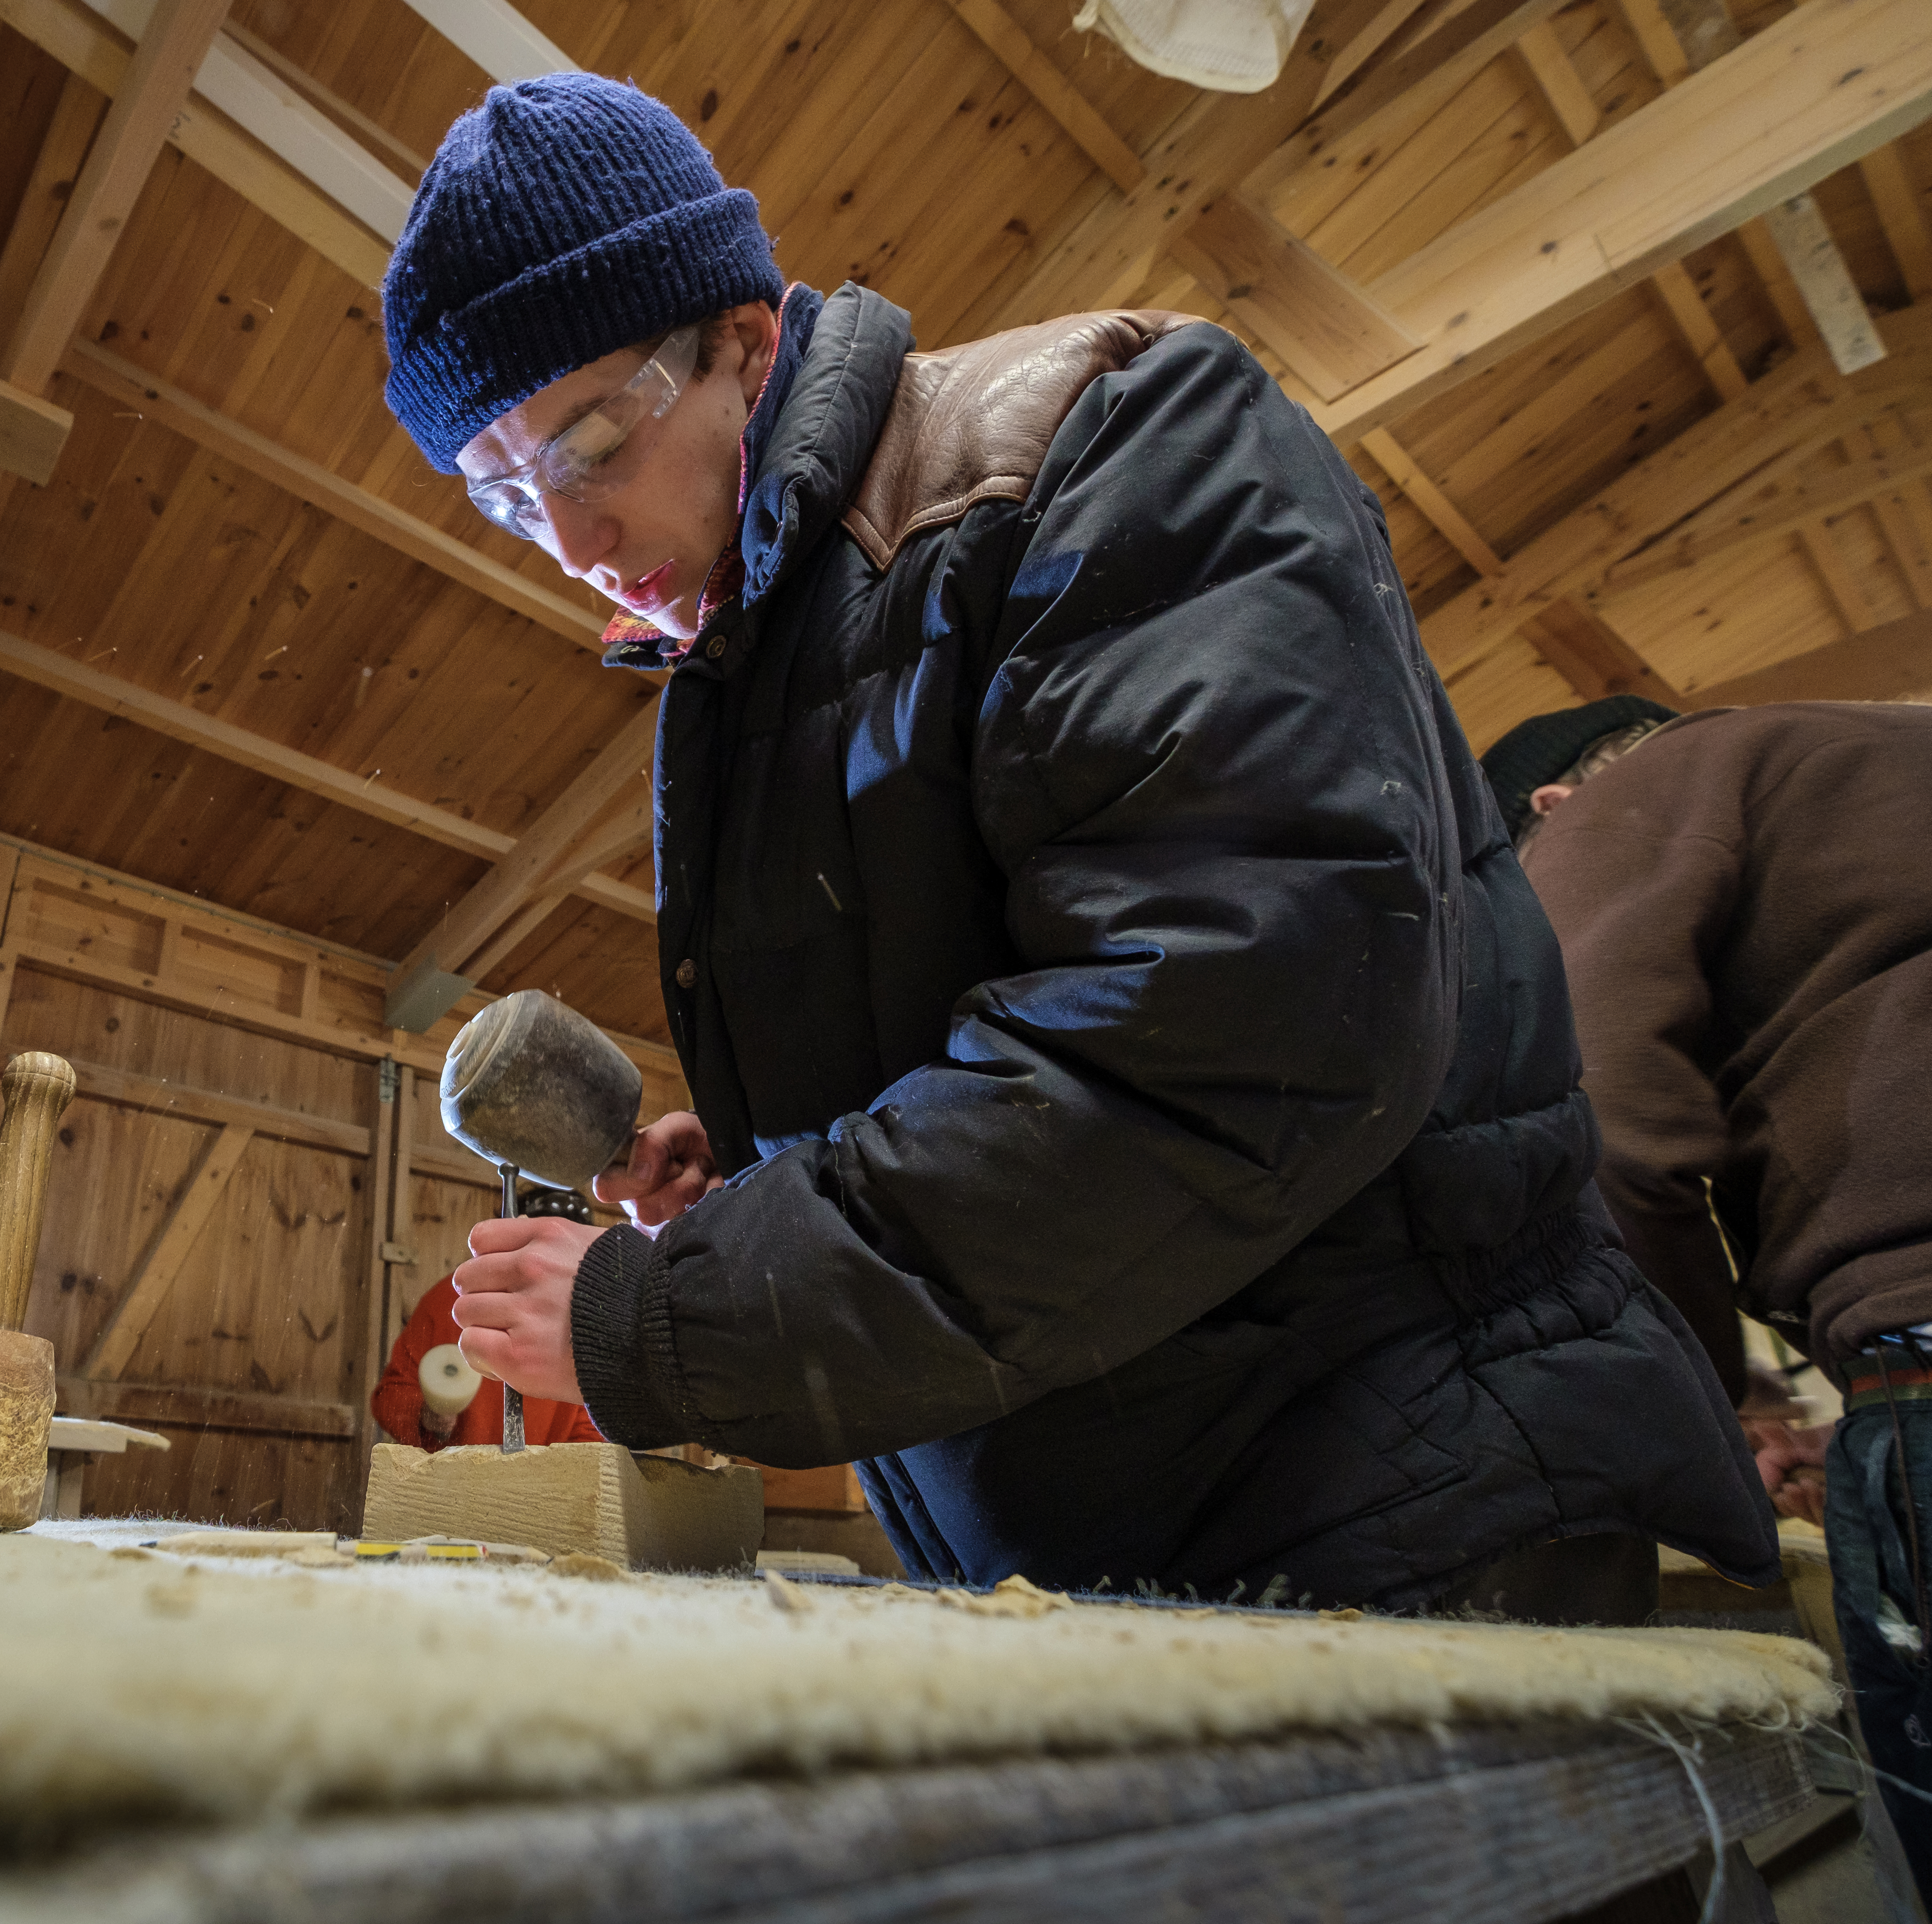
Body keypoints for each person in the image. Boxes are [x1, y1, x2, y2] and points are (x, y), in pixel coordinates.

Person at [386, 73, 1775, 1617]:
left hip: (1397, 1503)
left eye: (584, 444)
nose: (568, 541)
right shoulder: (753, 660)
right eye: (503, 495)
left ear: (745, 341)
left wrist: (672, 1318)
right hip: (1116, 1544)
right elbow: (1005, 1020)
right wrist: (781, 1165)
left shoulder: (1111, 441)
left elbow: (1223, 1032)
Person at [1489, 694, 1932, 1864]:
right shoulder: (1888, 748)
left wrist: (1715, 1393)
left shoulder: (1638, 793)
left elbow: (1604, 1121)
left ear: (1547, 808)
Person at [373, 1186, 607, 1451]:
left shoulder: (589, 1318)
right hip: (449, 1485)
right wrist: (427, 1415)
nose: (554, 1265)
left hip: (540, 1488)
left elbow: (590, 1432)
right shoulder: (447, 1302)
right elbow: (390, 1397)